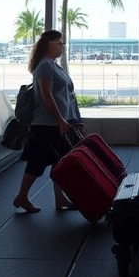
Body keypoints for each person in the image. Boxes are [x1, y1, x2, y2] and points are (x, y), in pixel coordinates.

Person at [12, 30, 82, 214]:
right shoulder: (45, 66)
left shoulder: (53, 65)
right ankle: (22, 197)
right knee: (37, 163)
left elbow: (65, 95)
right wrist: (60, 119)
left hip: (56, 124)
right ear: (49, 43)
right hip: (45, 125)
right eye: (59, 43)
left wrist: (69, 119)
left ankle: (59, 199)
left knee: (59, 162)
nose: (61, 46)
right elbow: (46, 94)